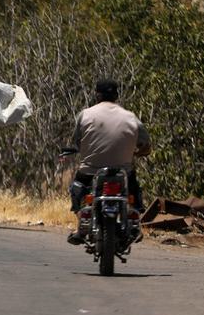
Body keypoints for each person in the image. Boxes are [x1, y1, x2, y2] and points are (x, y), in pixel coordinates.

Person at [62, 79, 150, 245]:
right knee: (134, 191)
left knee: (77, 188)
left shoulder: (85, 115)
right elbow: (145, 145)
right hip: (123, 172)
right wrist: (138, 153)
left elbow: (77, 142)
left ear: (97, 95)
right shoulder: (131, 117)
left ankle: (82, 222)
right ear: (116, 95)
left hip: (90, 170)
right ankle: (134, 221)